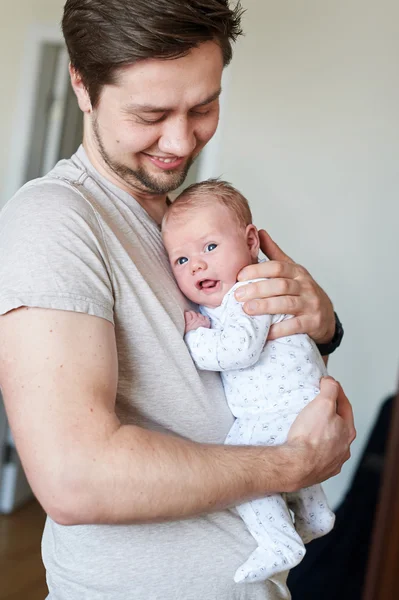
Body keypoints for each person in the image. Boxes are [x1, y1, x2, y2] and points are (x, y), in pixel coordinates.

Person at [0, 1, 355, 599]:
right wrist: (297, 463)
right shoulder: (54, 221)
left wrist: (323, 327)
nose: (180, 139)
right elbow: (73, 480)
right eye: (152, 113)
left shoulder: (184, 226)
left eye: (204, 106)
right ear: (82, 86)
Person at [162, 179, 336, 584]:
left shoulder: (248, 292)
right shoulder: (237, 294)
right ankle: (314, 513)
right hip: (292, 402)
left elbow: (238, 351)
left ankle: (279, 542)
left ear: (251, 241)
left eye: (209, 247)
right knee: (278, 450)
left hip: (282, 406)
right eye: (181, 260)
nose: (198, 265)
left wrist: (195, 337)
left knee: (243, 460)